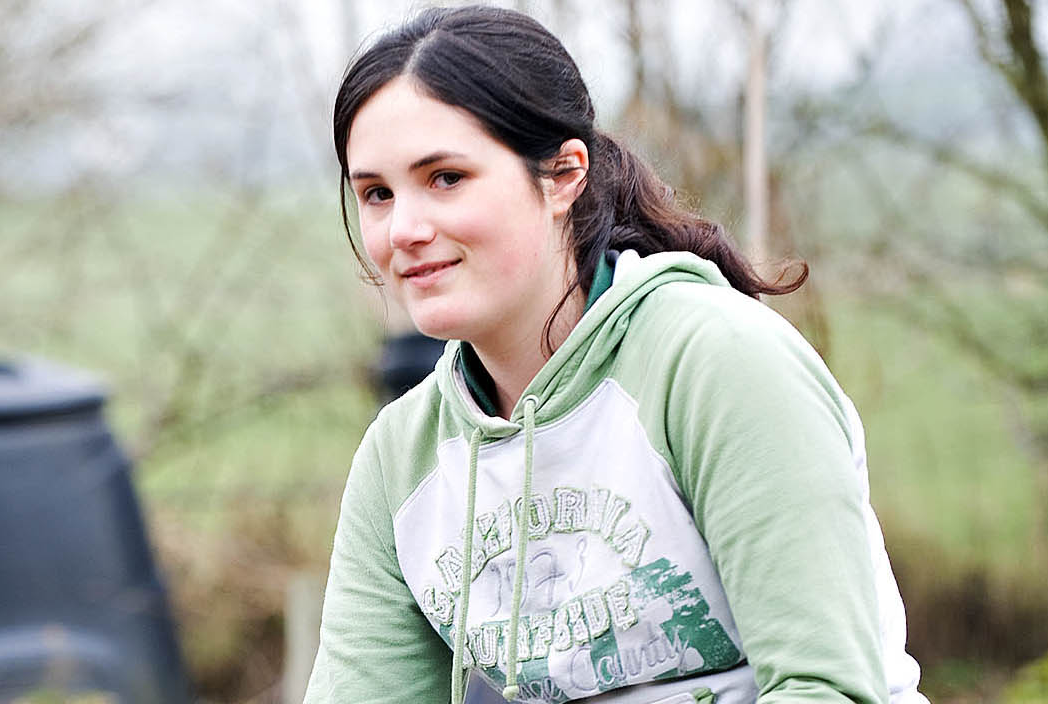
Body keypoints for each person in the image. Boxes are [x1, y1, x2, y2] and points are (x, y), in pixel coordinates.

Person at [303, 7, 924, 704]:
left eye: (446, 177)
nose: (405, 229)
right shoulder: (401, 458)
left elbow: (827, 688)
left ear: (564, 174)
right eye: (377, 194)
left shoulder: (716, 363)